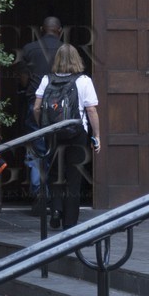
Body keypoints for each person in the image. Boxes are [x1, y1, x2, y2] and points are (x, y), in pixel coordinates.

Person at [33, 43, 102, 230]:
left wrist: (43, 127)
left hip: (53, 133)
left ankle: (56, 210)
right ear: (77, 60)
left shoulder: (47, 79)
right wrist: (96, 135)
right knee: (73, 176)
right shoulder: (84, 80)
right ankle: (70, 220)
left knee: (55, 173)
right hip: (76, 133)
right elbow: (91, 110)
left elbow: (36, 108)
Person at [17, 17, 63, 205]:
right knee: (58, 147)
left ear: (42, 30)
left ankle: (39, 192)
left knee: (36, 147)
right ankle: (57, 192)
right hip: (60, 105)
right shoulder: (66, 50)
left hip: (35, 103)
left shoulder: (29, 49)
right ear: (59, 30)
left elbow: (23, 79)